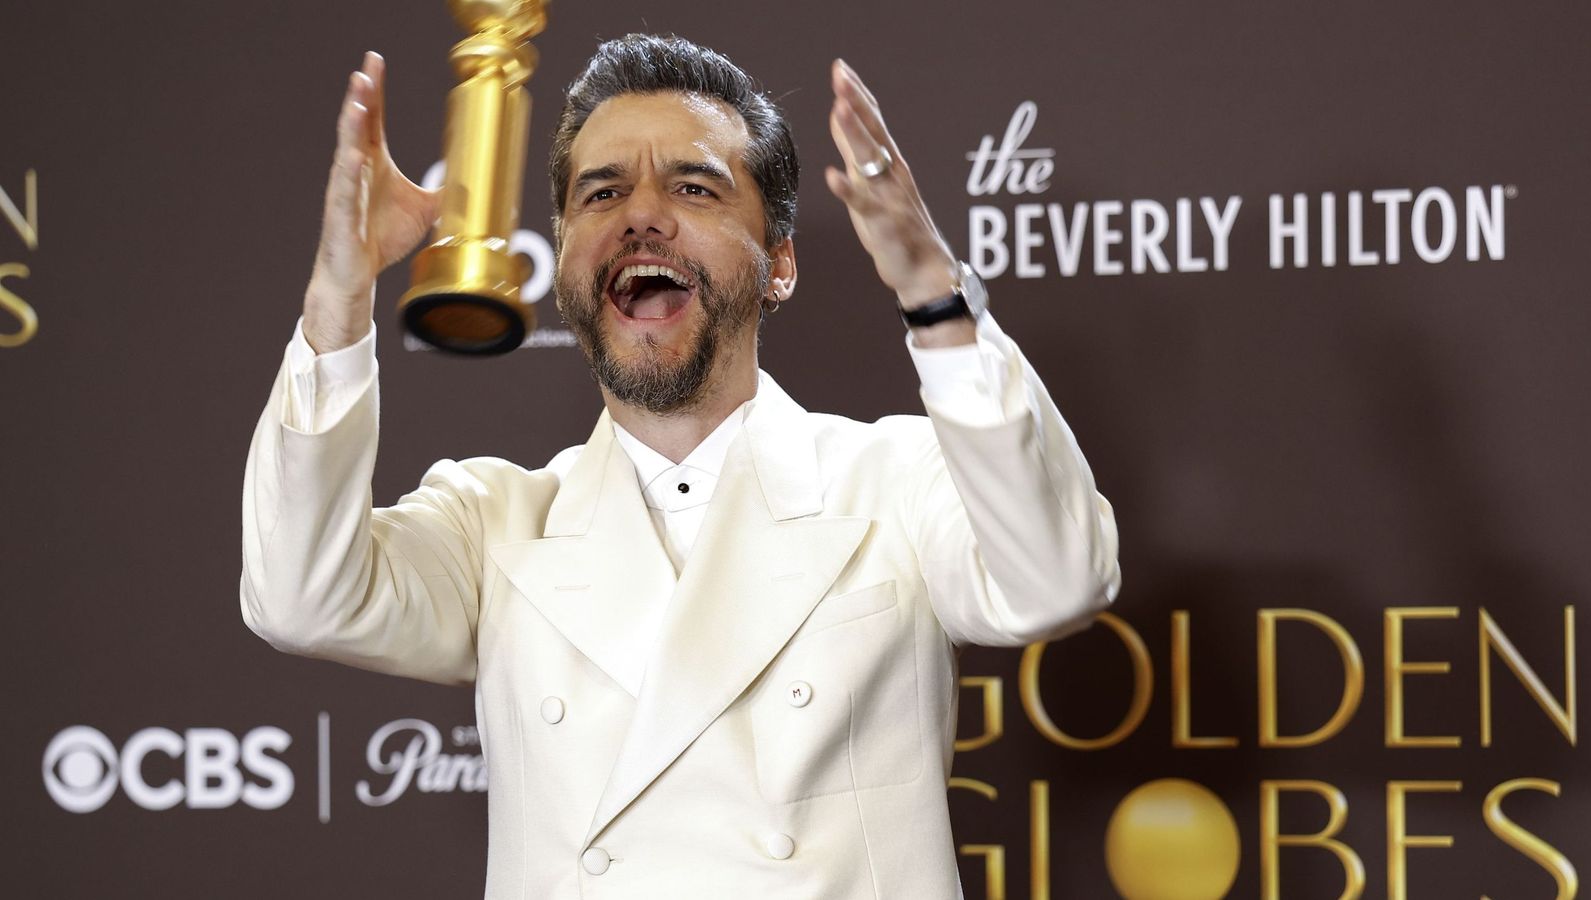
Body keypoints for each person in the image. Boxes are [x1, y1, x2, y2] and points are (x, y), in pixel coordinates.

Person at [241, 34, 1119, 900]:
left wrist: (936, 296)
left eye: (693, 186)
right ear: (565, 262)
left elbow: (1056, 581)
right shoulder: (494, 523)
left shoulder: (896, 477)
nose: (640, 213)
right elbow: (299, 595)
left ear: (777, 263)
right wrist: (337, 295)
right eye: (603, 191)